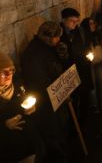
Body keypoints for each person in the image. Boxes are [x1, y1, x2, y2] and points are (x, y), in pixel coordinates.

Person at [21, 21, 70, 162]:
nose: (59, 40)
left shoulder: (48, 47)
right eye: (57, 37)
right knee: (52, 131)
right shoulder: (33, 54)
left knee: (60, 127)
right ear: (48, 37)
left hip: (54, 96)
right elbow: (39, 80)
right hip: (46, 100)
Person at [0, 50, 39, 163]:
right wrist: (4, 126)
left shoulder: (17, 84)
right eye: (3, 72)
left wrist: (30, 109)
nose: (9, 75)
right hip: (6, 152)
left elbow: (25, 101)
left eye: (11, 70)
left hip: (29, 144)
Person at [80, 18, 102, 112]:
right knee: (92, 86)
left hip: (99, 64)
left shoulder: (98, 35)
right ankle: (94, 106)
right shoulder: (84, 38)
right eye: (90, 24)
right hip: (89, 65)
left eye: (94, 23)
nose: (93, 25)